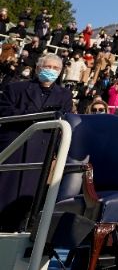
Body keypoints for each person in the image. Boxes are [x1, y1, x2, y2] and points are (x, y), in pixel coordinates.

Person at [0, 53, 73, 232]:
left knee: (29, 201)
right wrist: (36, 115)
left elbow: (66, 120)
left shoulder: (64, 94)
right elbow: (5, 113)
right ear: (38, 68)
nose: (51, 71)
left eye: (56, 68)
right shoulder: (15, 88)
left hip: (42, 152)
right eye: (47, 67)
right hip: (16, 149)